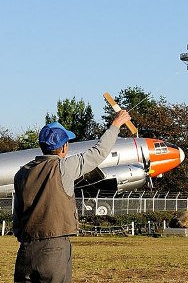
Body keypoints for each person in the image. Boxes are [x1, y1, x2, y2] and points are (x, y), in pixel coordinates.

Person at [13, 109, 131, 283]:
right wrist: (115, 125)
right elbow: (98, 152)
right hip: (54, 248)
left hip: (25, 248)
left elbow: (17, 215)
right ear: (63, 147)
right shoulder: (64, 167)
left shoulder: (21, 173)